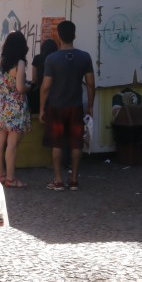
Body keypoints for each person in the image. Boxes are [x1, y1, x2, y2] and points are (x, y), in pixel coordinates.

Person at [40, 20, 95, 191]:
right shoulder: (84, 57)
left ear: (58, 36)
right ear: (74, 35)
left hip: (56, 106)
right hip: (76, 105)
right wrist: (91, 105)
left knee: (57, 144)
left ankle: (58, 180)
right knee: (76, 143)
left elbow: (46, 86)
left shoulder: (52, 58)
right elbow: (91, 84)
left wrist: (42, 108)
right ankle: (74, 180)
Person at [0, 31, 31, 188]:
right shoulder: (20, 63)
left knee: (0, 141)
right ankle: (11, 178)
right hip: (15, 107)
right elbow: (20, 87)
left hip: (1, 106)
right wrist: (29, 87)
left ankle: (1, 175)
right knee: (12, 144)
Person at [28, 38, 58, 115]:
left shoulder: (37, 58)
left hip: (39, 92)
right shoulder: (56, 59)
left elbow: (34, 79)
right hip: (55, 93)